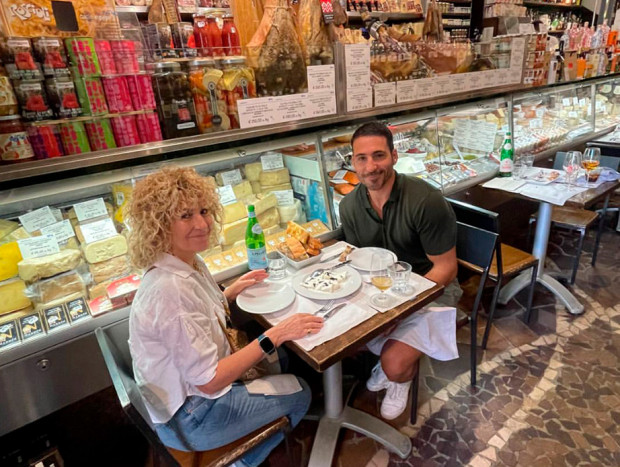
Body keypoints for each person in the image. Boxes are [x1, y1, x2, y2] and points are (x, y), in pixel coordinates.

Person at [126, 166, 324, 467]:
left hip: (185, 396)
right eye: (185, 216)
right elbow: (208, 381)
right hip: (193, 416)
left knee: (280, 360)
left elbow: (195, 317)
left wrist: (227, 293)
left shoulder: (182, 261)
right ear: (159, 224)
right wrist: (276, 334)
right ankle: (242, 462)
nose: (202, 223)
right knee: (302, 392)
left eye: (204, 211)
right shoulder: (170, 291)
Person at [339, 121, 461, 420]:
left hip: (432, 291)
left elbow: (446, 268)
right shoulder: (349, 206)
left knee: (394, 364)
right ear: (352, 162)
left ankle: (398, 378)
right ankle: (390, 359)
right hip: (384, 291)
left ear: (394, 156)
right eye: (362, 158)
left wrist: (398, 312)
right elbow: (361, 262)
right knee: (337, 331)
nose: (370, 167)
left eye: (378, 156)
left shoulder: (425, 200)